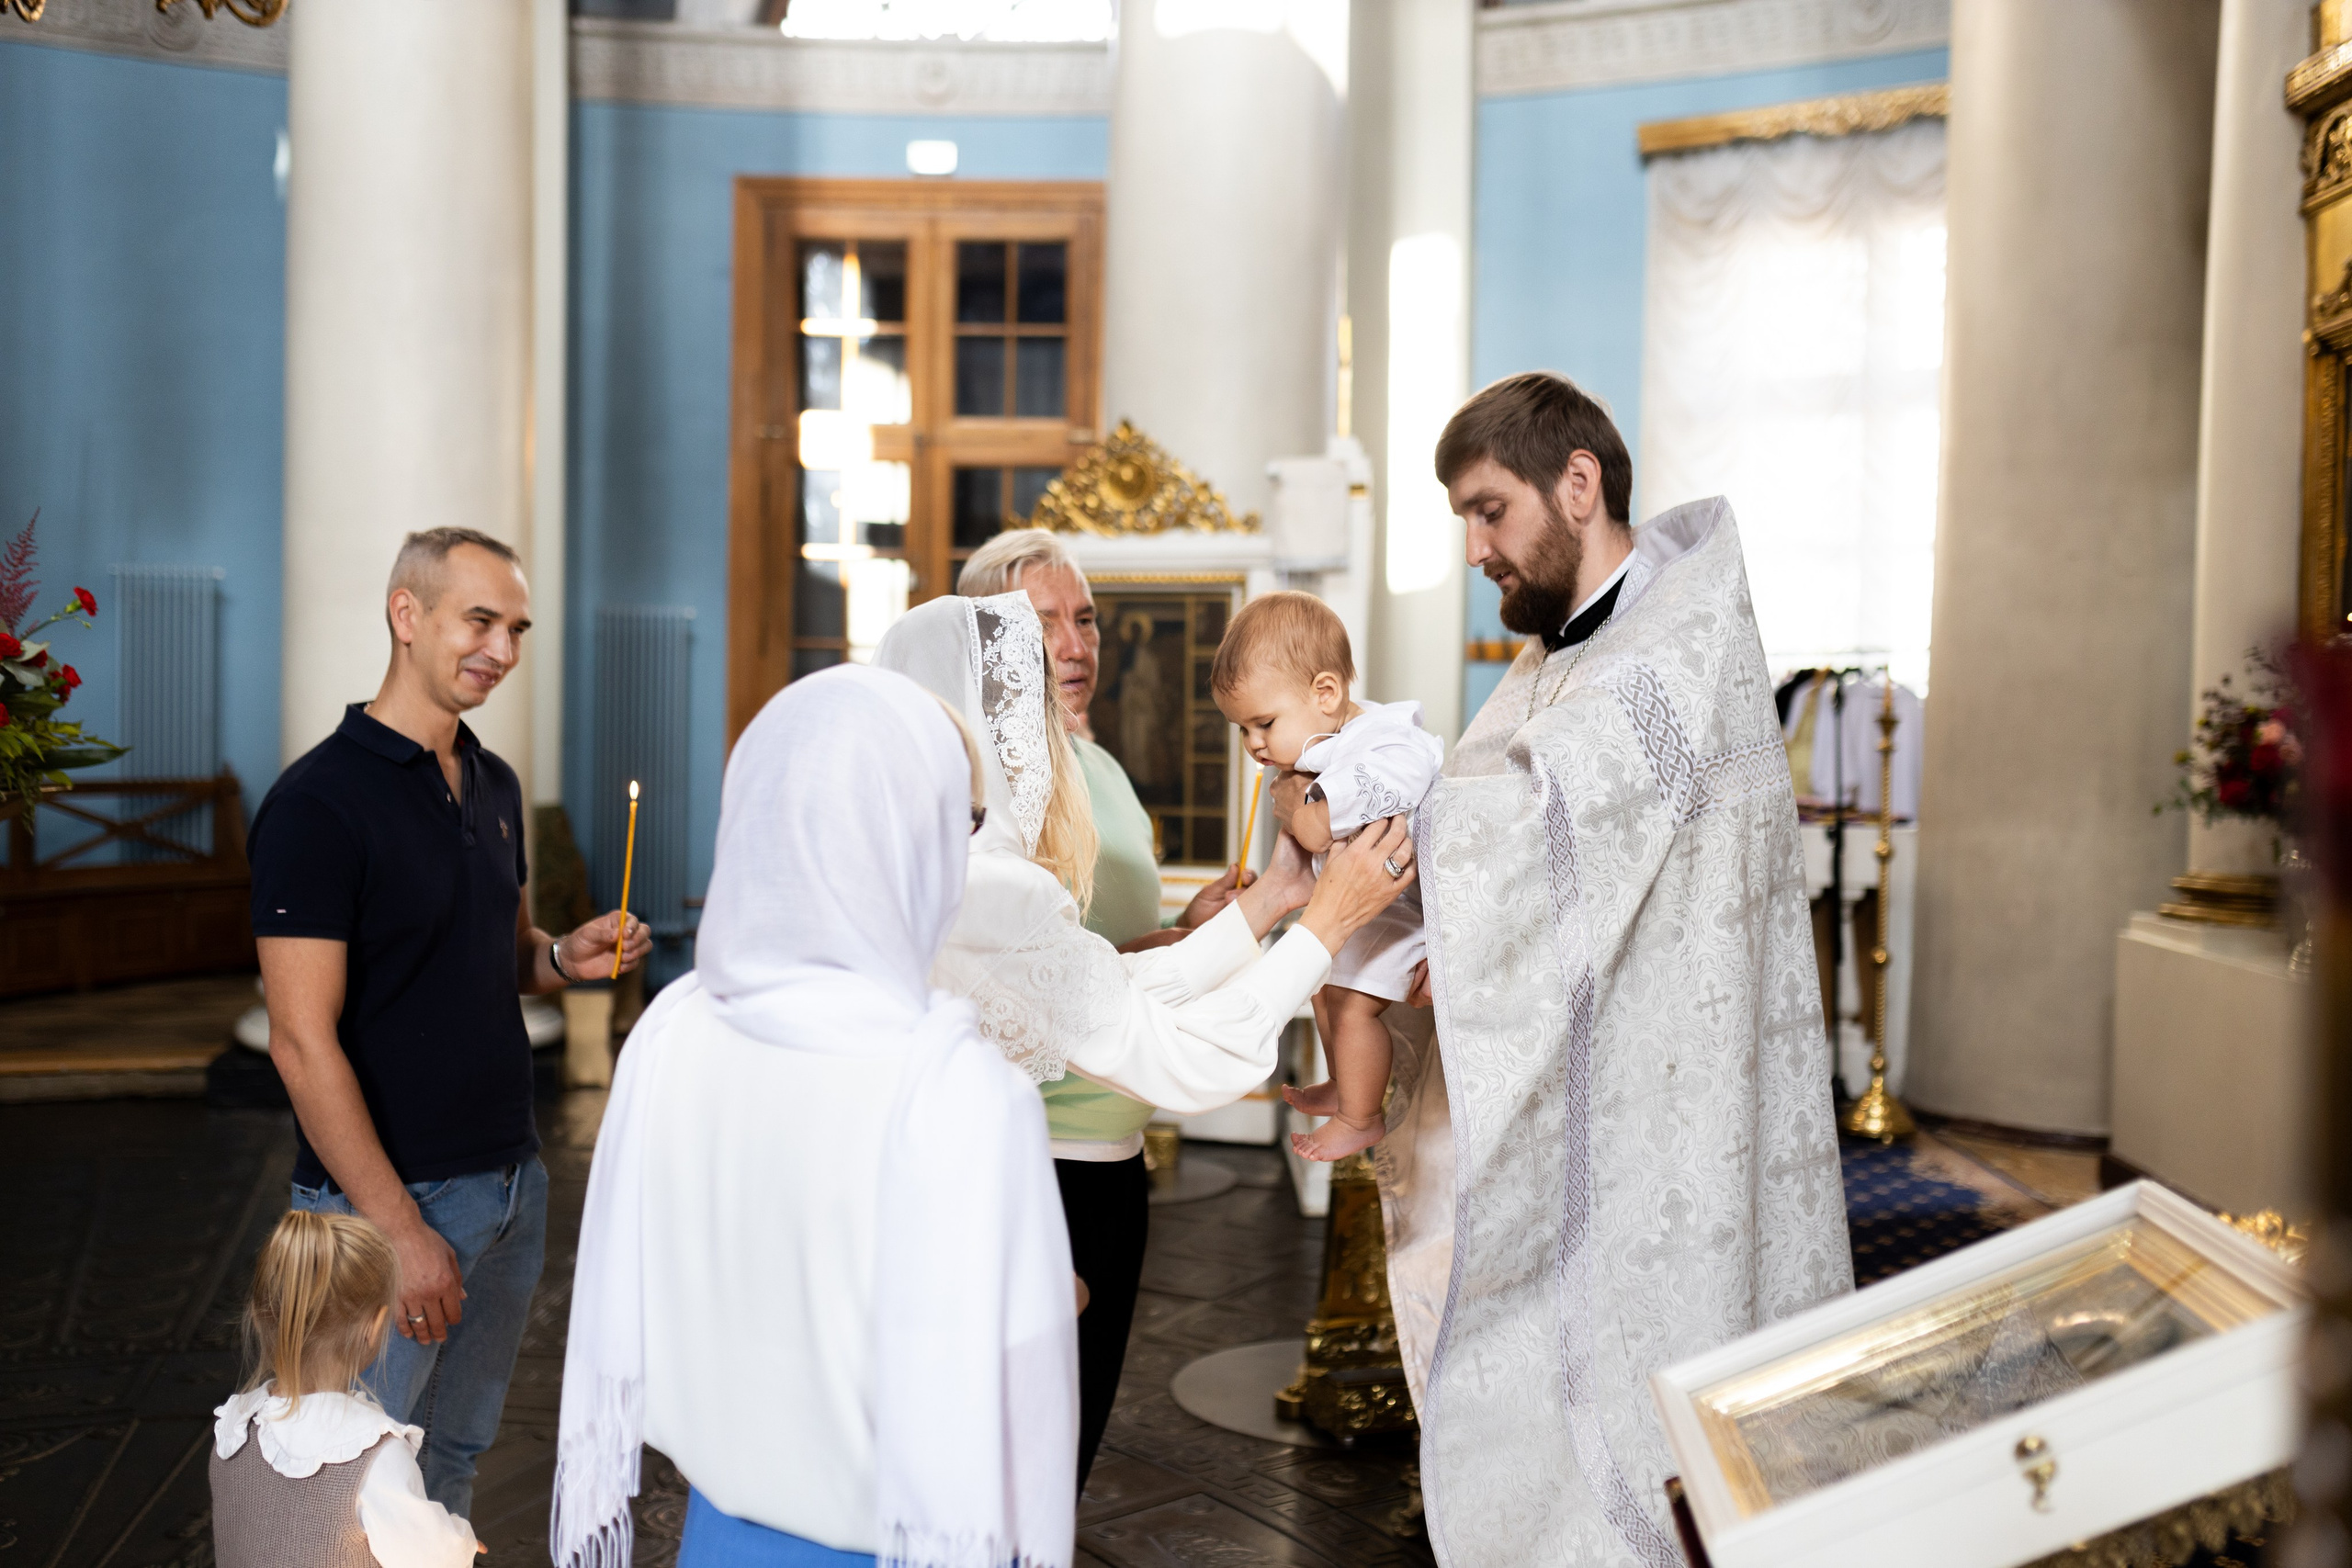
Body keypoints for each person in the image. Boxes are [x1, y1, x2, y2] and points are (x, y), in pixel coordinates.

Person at [1327, 372, 1851, 1564]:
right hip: (1589, 1090)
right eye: (1465, 517)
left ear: (1579, 481)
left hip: (1673, 1111)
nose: (1475, 546)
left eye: (1489, 509)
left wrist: (1368, 797)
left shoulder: (1671, 655)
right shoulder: (1562, 655)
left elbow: (1529, 838)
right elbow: (1502, 842)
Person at [874, 591, 1417, 1486]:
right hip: (1032, 1191)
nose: (1049, 740)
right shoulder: (990, 884)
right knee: (1028, 1467)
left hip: (1015, 1181)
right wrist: (1325, 924)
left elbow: (1108, 991)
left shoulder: (956, 864)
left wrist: (1277, 897)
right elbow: (1172, 1056)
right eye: (1033, 712)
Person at [555, 665, 1078, 1567]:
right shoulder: (957, 1091)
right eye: (964, 821)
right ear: (911, 837)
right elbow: (1010, 1423)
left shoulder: (670, 1035)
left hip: (713, 1538)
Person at [251, 527, 649, 1520]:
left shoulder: (494, 782)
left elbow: (499, 955)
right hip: (385, 1208)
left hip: (509, 1184)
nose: (503, 650)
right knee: (344, 1489)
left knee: (453, 1464)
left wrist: (563, 957)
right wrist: (400, 1228)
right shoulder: (317, 803)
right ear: (406, 616)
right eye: (480, 621)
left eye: (515, 627)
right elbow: (302, 1041)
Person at [954, 530, 1247, 1487]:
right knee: (1012, 1444)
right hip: (1030, 1150)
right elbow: (1000, 965)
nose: (1076, 645)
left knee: (1072, 1436)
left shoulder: (1103, 771)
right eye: (1046, 624)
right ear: (987, 643)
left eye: (1085, 620)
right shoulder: (984, 789)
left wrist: (1184, 924)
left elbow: (1104, 935)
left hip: (1114, 1153)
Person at [1210, 592, 1442, 1163]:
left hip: (1402, 914)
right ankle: (1345, 1086)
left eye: (1264, 723)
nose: (1254, 744)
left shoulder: (1388, 743)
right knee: (1319, 985)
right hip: (1364, 912)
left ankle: (1361, 1116)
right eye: (1242, 729)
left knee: (1355, 1006)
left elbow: (1318, 830)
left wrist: (1300, 805)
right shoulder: (1325, 745)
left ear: (1326, 693)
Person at [211, 1211, 479, 1568]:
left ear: (262, 1315)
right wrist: (463, 1540)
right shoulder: (372, 1455)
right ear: (375, 1326)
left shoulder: (232, 1431)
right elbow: (435, 1558)